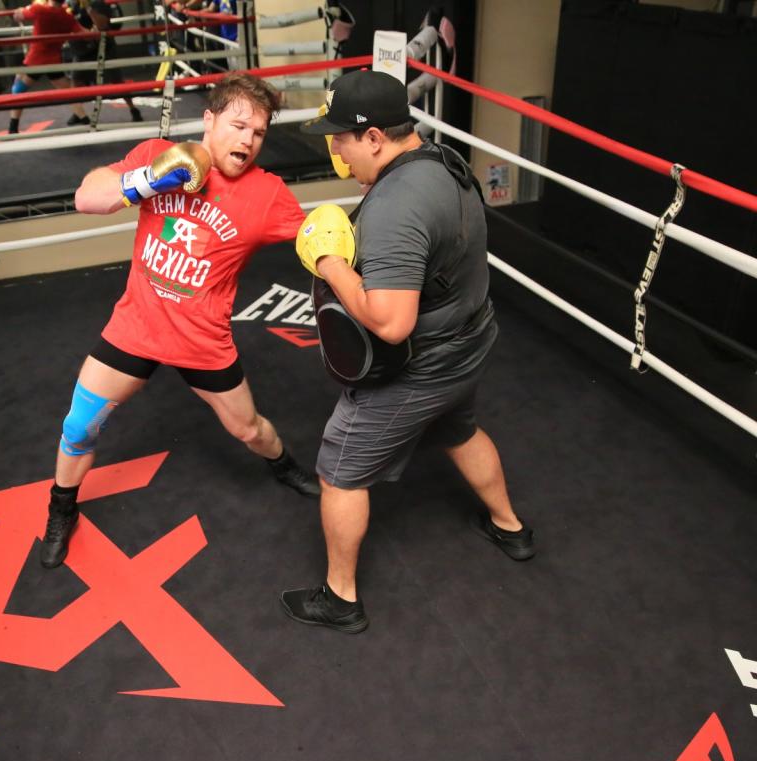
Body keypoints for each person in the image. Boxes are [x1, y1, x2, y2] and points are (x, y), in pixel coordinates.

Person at [281, 69, 535, 634]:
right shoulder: (441, 160)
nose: (337, 150)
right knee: (458, 428)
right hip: (469, 342)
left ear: (374, 138)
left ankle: (340, 599)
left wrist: (331, 264)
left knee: (339, 472)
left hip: (421, 367)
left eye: (342, 138)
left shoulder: (398, 205)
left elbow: (392, 324)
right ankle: (510, 526)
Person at [39, 72, 317, 570]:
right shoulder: (156, 155)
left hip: (203, 342)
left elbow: (315, 242)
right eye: (237, 126)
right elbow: (86, 197)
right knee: (78, 427)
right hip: (137, 327)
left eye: (258, 133)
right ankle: (61, 508)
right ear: (208, 121)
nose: (247, 141)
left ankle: (284, 465)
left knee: (250, 430)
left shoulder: (268, 193)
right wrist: (143, 181)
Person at [8, 0, 89, 134]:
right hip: (53, 60)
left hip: (35, 60)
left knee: (18, 89)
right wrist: (97, 31)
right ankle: (85, 120)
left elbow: (18, 16)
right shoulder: (67, 17)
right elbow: (84, 34)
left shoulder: (39, 9)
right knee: (67, 91)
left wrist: (23, 8)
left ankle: (13, 127)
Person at [64, 0, 142, 122]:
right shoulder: (70, 5)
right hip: (82, 49)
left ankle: (133, 109)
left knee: (117, 81)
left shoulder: (97, 3)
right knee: (76, 81)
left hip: (102, 47)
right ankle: (78, 113)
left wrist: (89, 8)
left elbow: (102, 25)